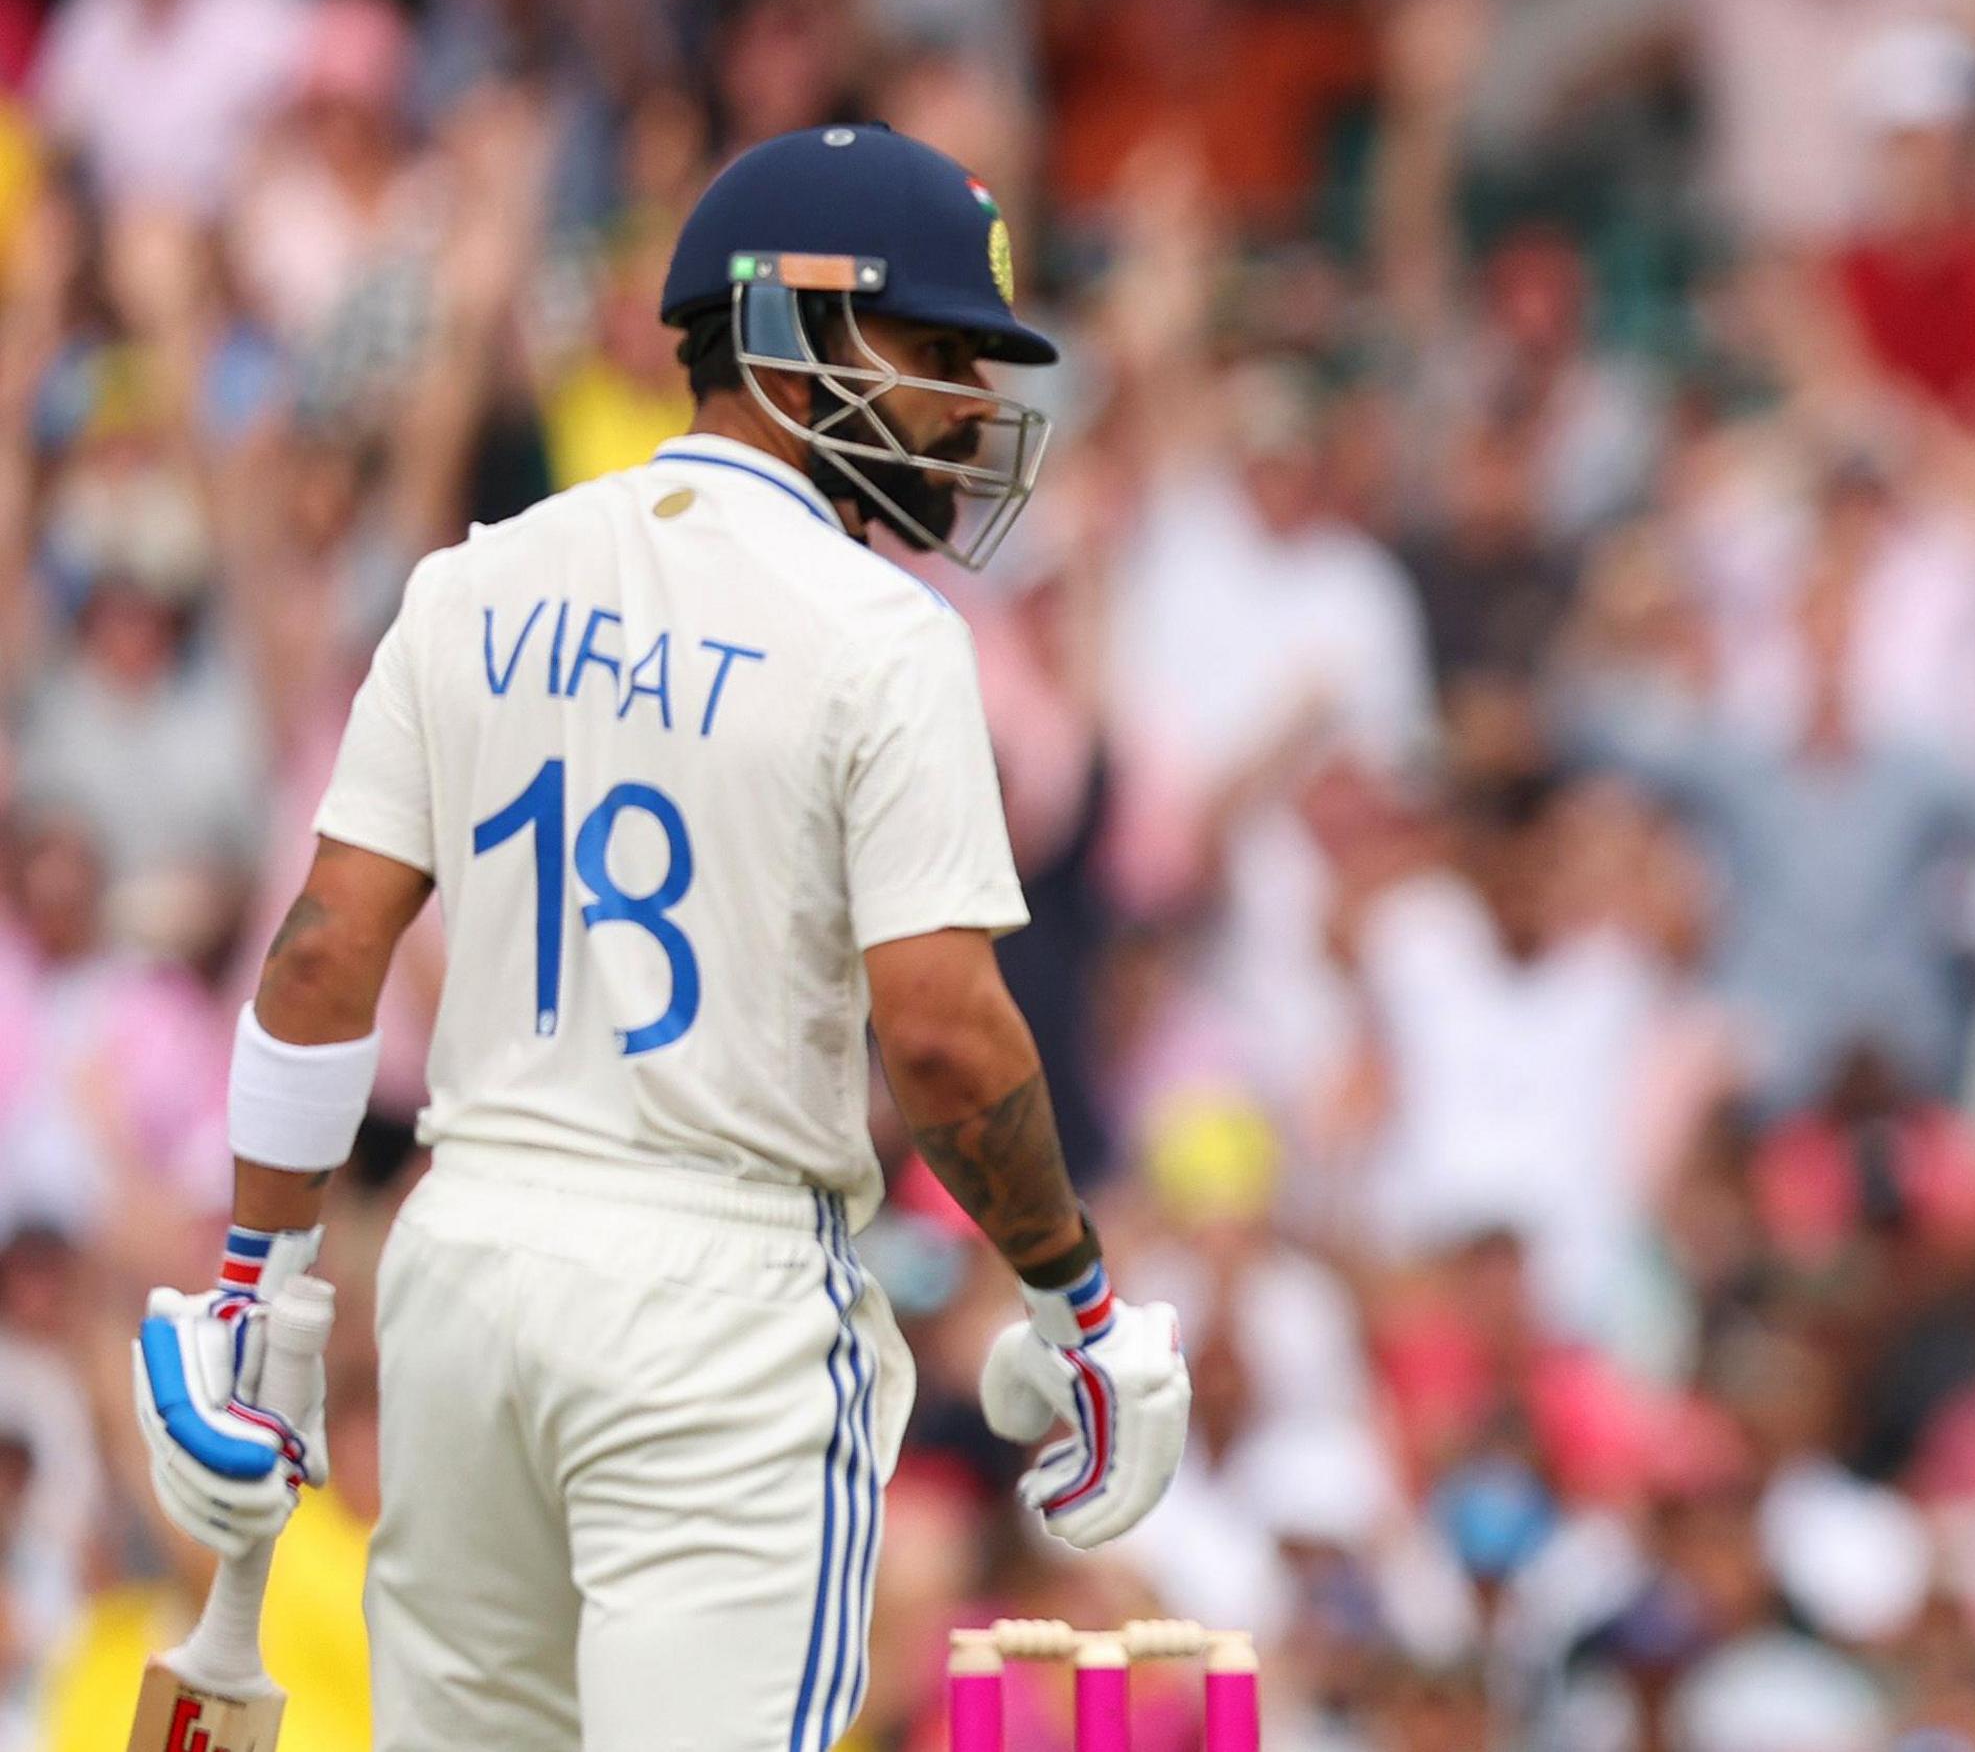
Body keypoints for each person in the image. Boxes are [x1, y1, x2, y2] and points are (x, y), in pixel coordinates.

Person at [122, 124, 1192, 1746]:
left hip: (466, 1273)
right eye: (937, 351)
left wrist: (252, 1286)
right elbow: (948, 1036)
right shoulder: (881, 635)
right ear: (781, 331)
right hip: (722, 1306)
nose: (971, 407)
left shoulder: (472, 584)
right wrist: (1082, 1313)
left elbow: (320, 957)